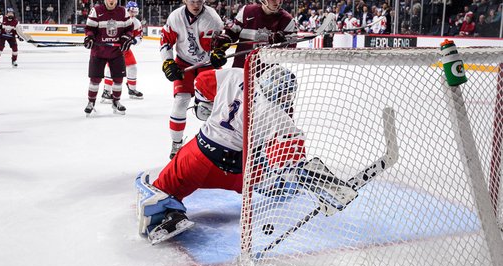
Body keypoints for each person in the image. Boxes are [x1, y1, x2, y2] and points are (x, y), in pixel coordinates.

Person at [135, 66, 357, 244]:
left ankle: (172, 214)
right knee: (272, 172)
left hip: (198, 157)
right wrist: (304, 175)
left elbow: (201, 81)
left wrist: (206, 103)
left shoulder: (235, 75)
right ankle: (273, 185)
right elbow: (288, 162)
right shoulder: (281, 119)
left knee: (161, 189)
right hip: (239, 173)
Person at [159, 0, 225, 159]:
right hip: (184, 64)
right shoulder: (175, 17)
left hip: (207, 66)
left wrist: (218, 52)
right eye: (192, 1)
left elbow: (221, 42)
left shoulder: (213, 18)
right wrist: (168, 61)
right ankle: (176, 144)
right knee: (180, 102)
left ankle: (214, 142)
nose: (196, 4)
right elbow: (166, 41)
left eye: (199, 1)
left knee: (212, 108)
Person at [83, 0, 134, 116]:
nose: (111, 0)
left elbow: (129, 29)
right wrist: (90, 38)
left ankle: (116, 101)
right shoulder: (96, 11)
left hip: (116, 52)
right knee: (95, 80)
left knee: (118, 79)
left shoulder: (123, 12)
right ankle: (91, 102)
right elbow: (89, 28)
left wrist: (127, 37)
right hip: (98, 52)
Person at [224, 0, 298, 68]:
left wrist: (282, 44)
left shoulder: (287, 20)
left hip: (267, 74)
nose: (277, 2)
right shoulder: (246, 11)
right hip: (240, 68)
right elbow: (231, 34)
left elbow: (291, 50)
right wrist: (220, 47)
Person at [101, 1, 144, 103]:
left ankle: (132, 90)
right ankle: (106, 92)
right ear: (127, 10)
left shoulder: (136, 22)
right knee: (111, 68)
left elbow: (139, 37)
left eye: (135, 12)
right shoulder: (118, 17)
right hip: (114, 49)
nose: (133, 14)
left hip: (125, 49)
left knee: (132, 67)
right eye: (131, 11)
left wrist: (133, 41)